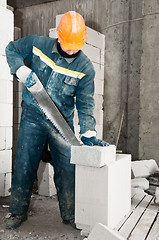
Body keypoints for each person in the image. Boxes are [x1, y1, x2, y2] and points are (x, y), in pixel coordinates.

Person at [5, 11, 109, 230]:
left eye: (76, 46)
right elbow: (11, 49)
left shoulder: (85, 68)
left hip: (61, 122)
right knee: (25, 163)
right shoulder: (37, 44)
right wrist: (20, 69)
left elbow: (85, 102)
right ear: (59, 37)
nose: (71, 50)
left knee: (66, 168)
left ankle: (70, 214)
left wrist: (88, 131)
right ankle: (17, 211)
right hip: (32, 115)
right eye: (67, 44)